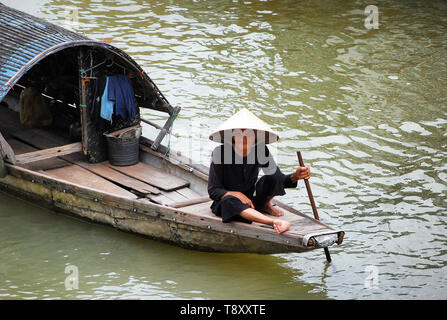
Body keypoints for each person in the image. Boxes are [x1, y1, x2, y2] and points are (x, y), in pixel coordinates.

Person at [207, 108, 310, 234]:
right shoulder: (220, 153)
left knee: (272, 177)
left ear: (255, 137)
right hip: (227, 202)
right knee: (230, 202)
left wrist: (295, 176)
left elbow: (279, 179)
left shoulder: (260, 150)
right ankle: (274, 222)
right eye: (239, 134)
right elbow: (213, 190)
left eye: (249, 134)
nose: (244, 138)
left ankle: (265, 205)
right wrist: (235, 194)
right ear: (232, 136)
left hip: (252, 200)